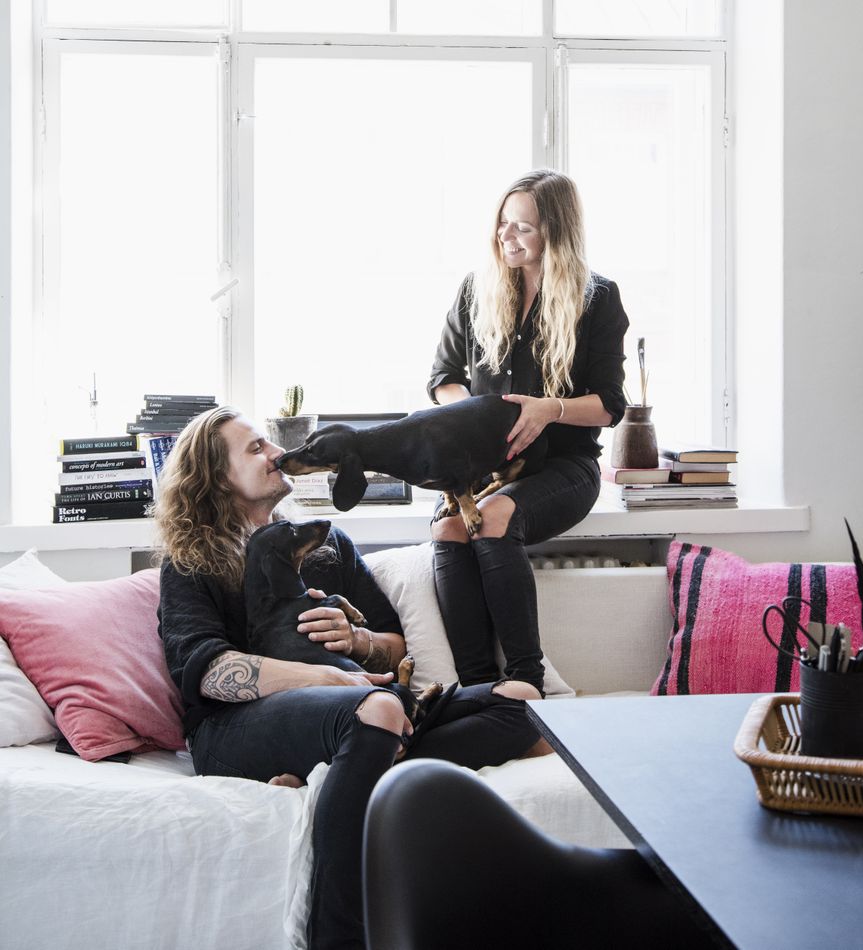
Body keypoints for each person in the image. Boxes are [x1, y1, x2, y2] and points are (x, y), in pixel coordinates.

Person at [153, 405, 543, 950]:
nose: (277, 454)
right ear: (217, 477)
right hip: (234, 728)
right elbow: (209, 672)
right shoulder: (191, 560)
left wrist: (359, 643)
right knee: (379, 709)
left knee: (522, 700)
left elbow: (395, 646)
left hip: (357, 711)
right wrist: (330, 680)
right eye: (257, 448)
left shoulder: (328, 544)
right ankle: (335, 935)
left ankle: (355, 768)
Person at [428, 168, 629, 694]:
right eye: (503, 223)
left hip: (564, 467)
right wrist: (473, 417)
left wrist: (548, 410)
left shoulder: (598, 297)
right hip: (485, 467)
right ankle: (476, 687)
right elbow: (442, 378)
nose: (506, 235)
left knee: (494, 518)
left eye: (523, 227)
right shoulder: (475, 289)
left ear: (555, 233)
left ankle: (525, 682)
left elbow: (610, 406)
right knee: (448, 529)